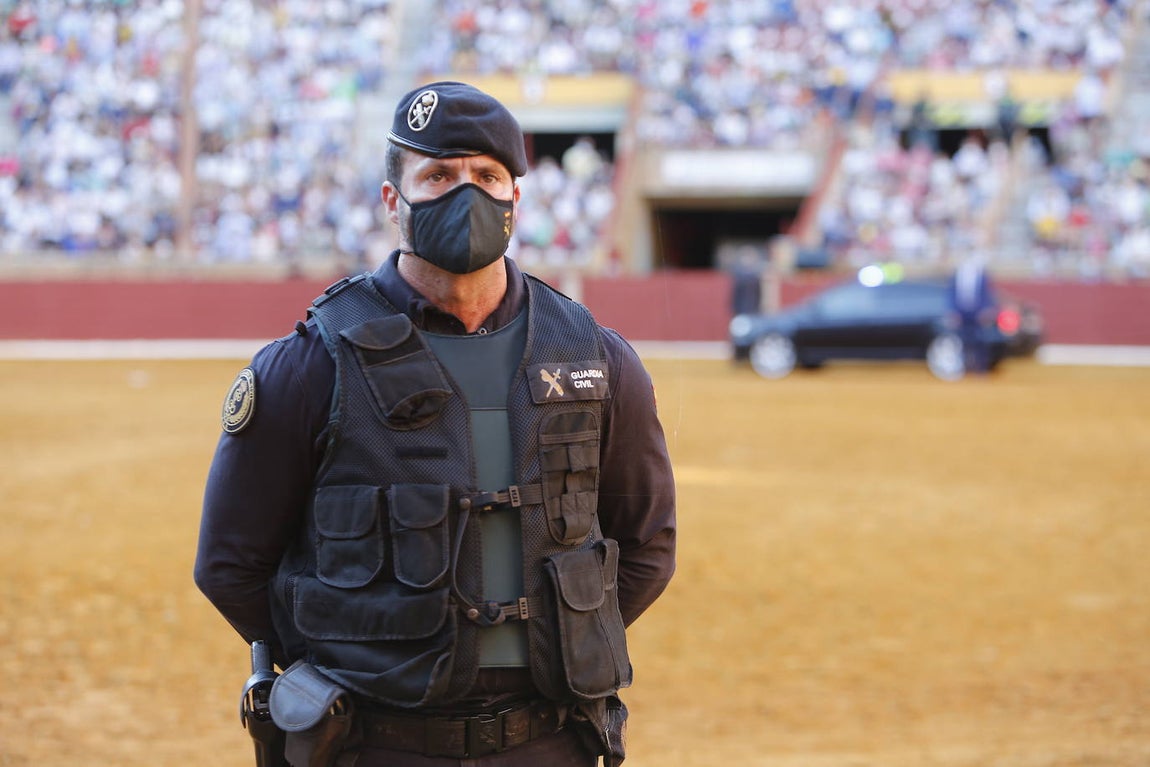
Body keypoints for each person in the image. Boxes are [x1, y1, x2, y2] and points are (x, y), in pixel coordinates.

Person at [194, 81, 677, 767]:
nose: (466, 193)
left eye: (487, 175)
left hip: (548, 740)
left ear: (517, 196)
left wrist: (562, 638)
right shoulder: (308, 364)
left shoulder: (595, 356)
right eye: (439, 174)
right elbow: (229, 563)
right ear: (395, 199)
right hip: (371, 742)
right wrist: (355, 654)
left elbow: (647, 545)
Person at [948, 252, 995, 374]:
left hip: (977, 312)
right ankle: (965, 367)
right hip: (962, 312)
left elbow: (986, 294)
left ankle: (981, 368)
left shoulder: (982, 276)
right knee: (963, 340)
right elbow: (952, 294)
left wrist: (985, 310)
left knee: (980, 340)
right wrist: (953, 311)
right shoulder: (956, 275)